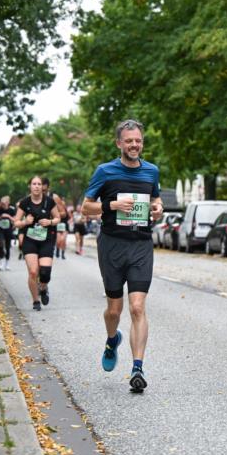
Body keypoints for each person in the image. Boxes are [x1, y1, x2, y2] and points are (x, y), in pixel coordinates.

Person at [82, 119, 164, 393]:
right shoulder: (105, 171)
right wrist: (112, 204)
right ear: (119, 143)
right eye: (129, 141)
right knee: (114, 310)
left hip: (140, 244)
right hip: (112, 246)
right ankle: (110, 339)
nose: (134, 145)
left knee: (138, 307)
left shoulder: (151, 171)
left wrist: (157, 208)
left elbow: (156, 199)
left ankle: (137, 368)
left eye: (138, 140)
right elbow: (86, 207)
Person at [14, 176, 61, 311]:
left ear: (42, 187)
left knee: (45, 273)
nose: (36, 186)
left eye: (39, 184)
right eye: (34, 184)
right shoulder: (25, 202)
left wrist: (50, 222)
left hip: (46, 240)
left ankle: (43, 287)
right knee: (33, 272)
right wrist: (25, 222)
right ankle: (35, 301)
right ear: (30, 186)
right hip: (30, 241)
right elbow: (16, 222)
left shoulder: (49, 201)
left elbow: (58, 218)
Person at [0, 195, 16, 271]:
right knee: (1, 245)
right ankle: (1, 264)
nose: (3, 205)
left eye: (5, 203)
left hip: (8, 229)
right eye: (2, 203)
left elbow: (14, 220)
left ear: (8, 203)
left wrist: (8, 216)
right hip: (0, 229)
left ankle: (7, 264)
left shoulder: (11, 210)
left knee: (7, 246)